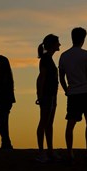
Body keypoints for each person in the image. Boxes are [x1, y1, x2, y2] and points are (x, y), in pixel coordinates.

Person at [59, 27, 87, 162]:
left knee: (70, 123)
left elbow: (61, 77)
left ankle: (70, 152)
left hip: (73, 94)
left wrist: (67, 90)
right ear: (83, 39)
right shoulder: (86, 55)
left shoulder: (64, 56)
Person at [35, 34, 61, 162]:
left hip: (52, 94)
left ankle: (50, 150)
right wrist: (39, 95)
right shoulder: (45, 59)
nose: (60, 45)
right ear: (52, 45)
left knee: (49, 123)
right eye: (58, 43)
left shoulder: (48, 59)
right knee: (43, 122)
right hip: (46, 95)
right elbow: (41, 78)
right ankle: (41, 152)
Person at [0, 55, 16, 150]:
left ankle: (6, 142)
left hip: (4, 101)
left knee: (1, 123)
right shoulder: (5, 74)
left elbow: (1, 89)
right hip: (5, 100)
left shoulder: (3, 75)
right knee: (2, 123)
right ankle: (6, 143)